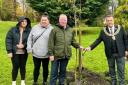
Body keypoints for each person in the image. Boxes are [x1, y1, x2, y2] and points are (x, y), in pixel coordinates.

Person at [85, 15, 128, 85]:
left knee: (121, 70)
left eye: (111, 20)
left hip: (120, 53)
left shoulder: (120, 28)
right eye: (108, 21)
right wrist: (90, 47)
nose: (109, 22)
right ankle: (113, 82)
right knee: (111, 70)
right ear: (106, 22)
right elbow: (98, 40)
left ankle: (121, 83)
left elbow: (125, 39)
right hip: (110, 54)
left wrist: (126, 50)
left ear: (113, 21)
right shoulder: (103, 31)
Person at [48, 14, 83, 85]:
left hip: (66, 55)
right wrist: (50, 54)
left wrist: (79, 46)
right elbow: (50, 42)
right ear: (59, 20)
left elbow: (72, 41)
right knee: (54, 73)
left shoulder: (70, 30)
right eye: (62, 20)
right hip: (56, 56)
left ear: (66, 21)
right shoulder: (54, 29)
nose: (63, 21)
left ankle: (61, 83)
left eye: (65, 20)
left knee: (63, 72)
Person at [27, 13, 53, 85]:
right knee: (36, 68)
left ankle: (44, 81)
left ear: (48, 21)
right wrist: (29, 48)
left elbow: (54, 41)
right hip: (36, 53)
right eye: (42, 20)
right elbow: (29, 39)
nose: (43, 21)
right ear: (40, 20)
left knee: (45, 68)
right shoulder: (35, 27)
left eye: (45, 20)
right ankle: (35, 81)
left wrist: (52, 53)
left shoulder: (52, 29)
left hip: (46, 54)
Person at [5, 16, 31, 85]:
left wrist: (24, 45)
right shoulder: (12, 30)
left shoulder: (29, 31)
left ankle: (22, 81)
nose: (24, 23)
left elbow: (30, 40)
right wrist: (9, 51)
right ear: (19, 22)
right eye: (22, 21)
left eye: (25, 21)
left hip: (24, 51)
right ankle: (13, 82)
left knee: (23, 66)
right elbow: (8, 40)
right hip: (14, 51)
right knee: (15, 66)